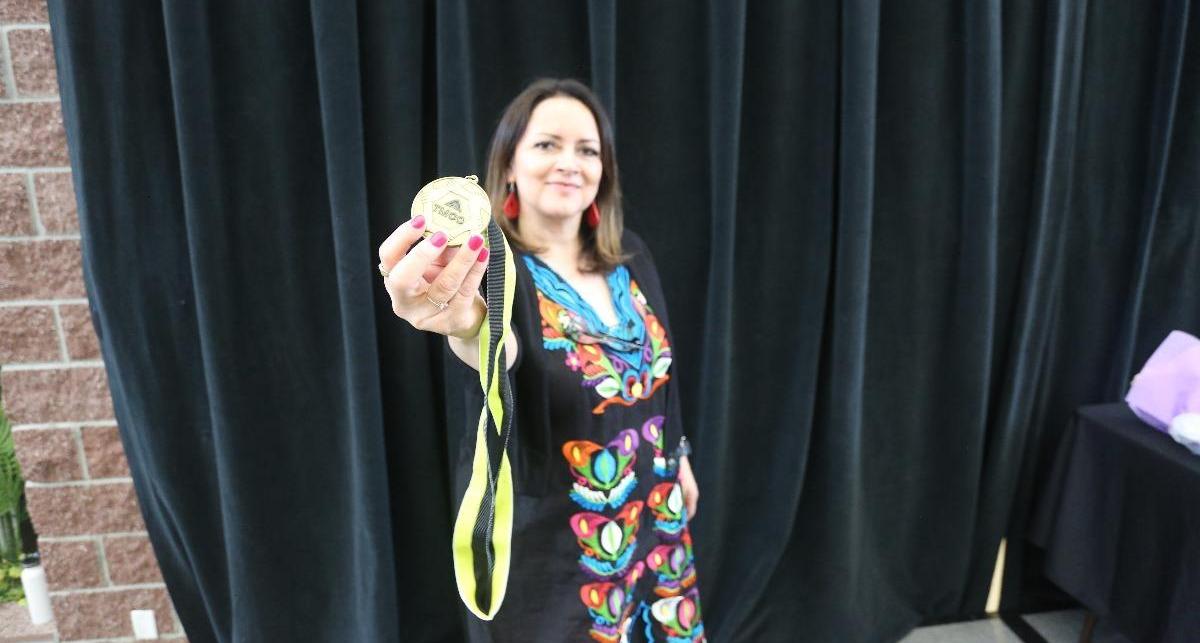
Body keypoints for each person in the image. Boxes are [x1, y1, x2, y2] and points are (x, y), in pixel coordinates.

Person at [377, 78, 706, 642]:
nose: (569, 162)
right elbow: (493, 344)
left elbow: (665, 378)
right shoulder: (503, 276)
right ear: (507, 165)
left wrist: (679, 456)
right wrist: (463, 321)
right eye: (547, 144)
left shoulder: (632, 259)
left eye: (587, 150)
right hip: (564, 551)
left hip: (659, 519)